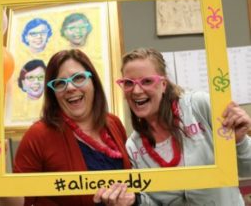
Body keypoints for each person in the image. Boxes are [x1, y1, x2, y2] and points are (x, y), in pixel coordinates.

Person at [0, 49, 137, 206]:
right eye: (60, 83)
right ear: (53, 93)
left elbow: (129, 183)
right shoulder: (38, 135)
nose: (71, 87)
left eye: (79, 78)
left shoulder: (113, 123)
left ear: (93, 82)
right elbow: (21, 202)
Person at [94, 47, 251, 205]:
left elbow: (248, 169)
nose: (136, 90)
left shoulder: (199, 107)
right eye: (128, 83)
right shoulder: (133, 147)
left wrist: (240, 141)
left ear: (163, 84)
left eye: (147, 81)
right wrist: (134, 200)